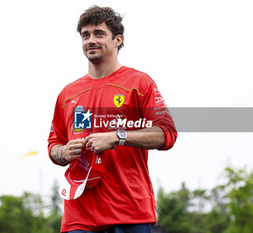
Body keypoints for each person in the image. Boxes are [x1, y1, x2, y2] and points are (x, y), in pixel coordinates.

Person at [48, 5, 177, 233]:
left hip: (129, 212)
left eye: (99, 33)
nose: (90, 40)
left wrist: (118, 137)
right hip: (79, 217)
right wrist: (62, 153)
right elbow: (54, 145)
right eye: (85, 35)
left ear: (118, 40)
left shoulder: (140, 83)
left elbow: (166, 134)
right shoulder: (68, 94)